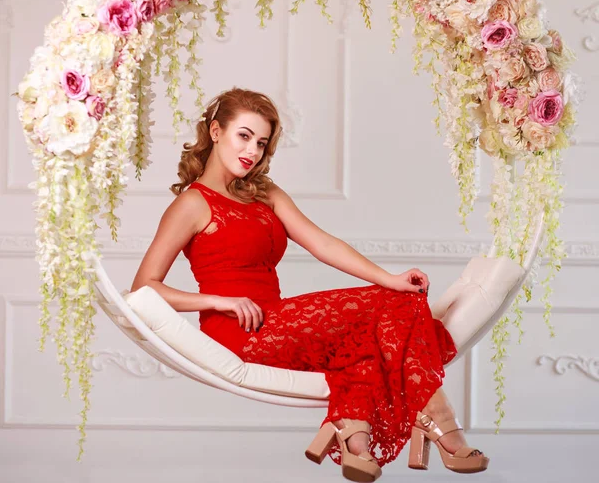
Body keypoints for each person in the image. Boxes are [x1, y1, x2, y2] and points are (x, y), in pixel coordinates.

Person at [131, 88, 488, 481]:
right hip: (243, 332)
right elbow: (144, 289)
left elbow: (322, 243)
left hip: (280, 320)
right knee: (395, 315)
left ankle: (355, 439)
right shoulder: (192, 204)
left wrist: (390, 278)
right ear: (216, 131)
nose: (253, 150)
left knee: (375, 336)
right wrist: (219, 302)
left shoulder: (263, 193)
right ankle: (436, 414)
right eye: (244, 135)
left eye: (262, 142)